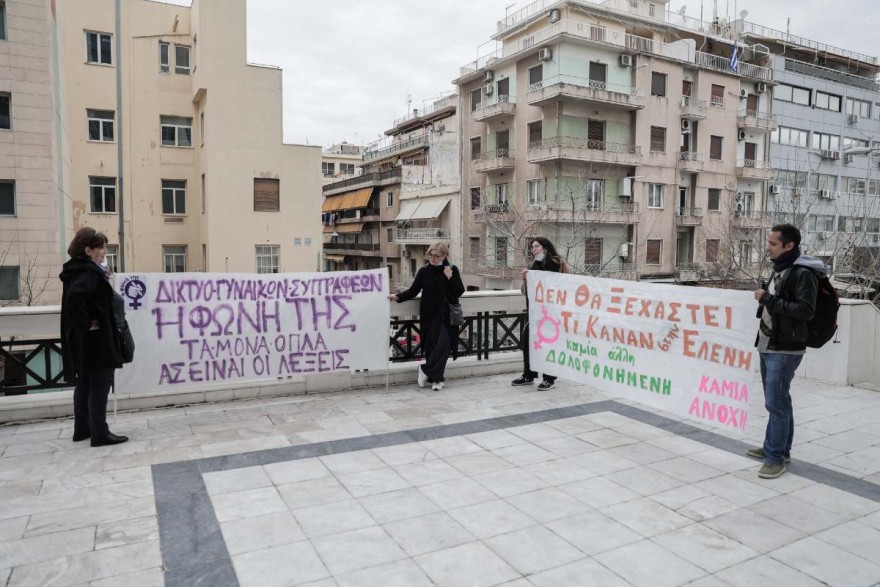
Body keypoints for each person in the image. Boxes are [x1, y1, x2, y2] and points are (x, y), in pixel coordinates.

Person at [750, 223, 826, 479]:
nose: (767, 248)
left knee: (776, 403)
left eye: (773, 244)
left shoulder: (802, 273)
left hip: (785, 348)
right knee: (779, 401)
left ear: (789, 245)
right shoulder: (780, 268)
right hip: (768, 344)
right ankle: (777, 447)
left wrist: (768, 299)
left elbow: (805, 311)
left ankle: (776, 458)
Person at [60, 227, 129, 447]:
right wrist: (89, 323)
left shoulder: (75, 270)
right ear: (88, 250)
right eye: (101, 248)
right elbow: (75, 299)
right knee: (100, 385)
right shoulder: (89, 273)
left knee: (85, 384)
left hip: (84, 342)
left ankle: (82, 429)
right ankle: (100, 433)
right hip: (97, 342)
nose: (105, 252)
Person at [389, 243, 465, 391]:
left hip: (448, 315)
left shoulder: (451, 269)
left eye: (436, 255)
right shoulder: (424, 271)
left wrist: (450, 277)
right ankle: (437, 380)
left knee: (444, 345)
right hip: (430, 315)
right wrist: (397, 297)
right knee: (432, 347)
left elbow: (459, 291)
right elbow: (413, 291)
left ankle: (424, 370)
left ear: (444, 256)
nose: (432, 258)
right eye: (430, 255)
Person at [513, 237, 565, 391]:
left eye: (536, 246)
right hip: (535, 313)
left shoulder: (556, 263)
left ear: (546, 248)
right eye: (532, 247)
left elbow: (553, 285)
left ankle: (549, 379)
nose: (533, 250)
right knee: (528, 342)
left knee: (548, 344)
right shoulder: (535, 264)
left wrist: (534, 273)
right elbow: (527, 291)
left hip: (550, 314)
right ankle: (528, 375)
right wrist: (526, 278)